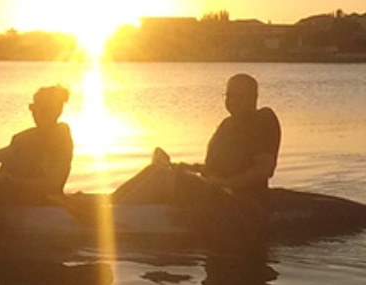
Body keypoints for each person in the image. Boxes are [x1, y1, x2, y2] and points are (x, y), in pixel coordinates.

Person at [112, 73, 280, 204]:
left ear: (254, 98)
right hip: (215, 188)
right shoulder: (227, 124)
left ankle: (115, 218)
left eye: (239, 96)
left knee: (162, 177)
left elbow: (264, 170)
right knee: (156, 170)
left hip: (237, 198)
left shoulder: (263, 120)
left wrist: (224, 183)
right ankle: (109, 206)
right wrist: (192, 168)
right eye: (229, 95)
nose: (232, 101)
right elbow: (219, 166)